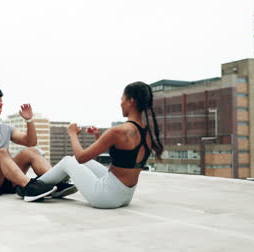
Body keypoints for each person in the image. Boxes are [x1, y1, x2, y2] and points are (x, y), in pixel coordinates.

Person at [32, 81, 163, 208]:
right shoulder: (147, 133)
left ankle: (33, 187)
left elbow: (80, 157)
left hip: (105, 197)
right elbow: (124, 159)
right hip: (126, 196)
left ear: (131, 101)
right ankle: (57, 187)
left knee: (68, 161)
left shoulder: (119, 131)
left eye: (122, 99)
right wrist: (98, 137)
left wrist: (72, 134)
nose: (121, 103)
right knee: (84, 163)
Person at [0, 86, 76, 201]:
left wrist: (29, 121)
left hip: (6, 180)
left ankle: (56, 184)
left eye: (0, 106)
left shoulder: (5, 128)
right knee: (1, 152)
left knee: (31, 151)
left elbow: (31, 142)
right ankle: (28, 187)